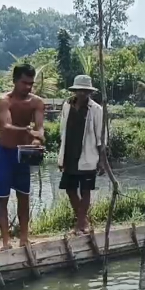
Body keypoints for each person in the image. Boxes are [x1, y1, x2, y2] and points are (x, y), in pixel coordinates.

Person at [0, 64, 45, 250]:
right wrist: (25, 130)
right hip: (5, 152)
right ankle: (6, 241)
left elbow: (40, 128)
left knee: (24, 196)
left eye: (31, 83)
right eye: (24, 83)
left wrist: (38, 140)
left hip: (24, 153)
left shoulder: (36, 102)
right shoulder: (4, 101)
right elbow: (4, 126)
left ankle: (24, 238)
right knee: (2, 197)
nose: (28, 87)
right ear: (15, 81)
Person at [57, 74, 104, 235]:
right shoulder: (67, 106)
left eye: (85, 91)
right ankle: (83, 221)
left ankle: (80, 224)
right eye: (79, 91)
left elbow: (101, 137)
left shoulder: (96, 109)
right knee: (70, 189)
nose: (82, 94)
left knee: (85, 190)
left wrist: (102, 161)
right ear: (75, 91)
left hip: (88, 156)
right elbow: (62, 132)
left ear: (89, 92)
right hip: (70, 154)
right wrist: (61, 156)